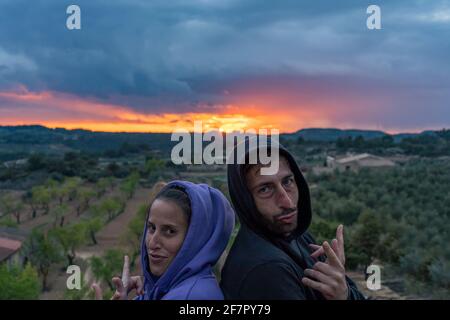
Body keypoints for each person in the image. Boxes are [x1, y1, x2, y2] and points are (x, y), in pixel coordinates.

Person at [220, 138, 365, 300]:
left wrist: (343, 290)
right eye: (265, 189)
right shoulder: (267, 271)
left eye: (287, 181)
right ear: (245, 200)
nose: (287, 202)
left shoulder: (297, 236)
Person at [93, 180, 235, 300]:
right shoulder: (170, 288)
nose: (153, 243)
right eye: (151, 228)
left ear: (196, 240)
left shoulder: (190, 296)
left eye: (169, 231)